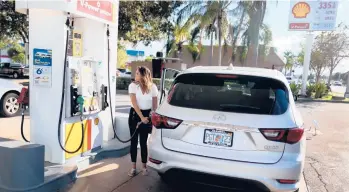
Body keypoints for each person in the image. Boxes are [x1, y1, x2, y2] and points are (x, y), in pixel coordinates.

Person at [128, 66, 158, 177]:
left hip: (147, 116)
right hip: (135, 115)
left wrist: (150, 117)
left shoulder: (153, 87)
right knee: (134, 142)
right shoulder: (132, 86)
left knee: (143, 142)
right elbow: (134, 103)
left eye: (137, 73)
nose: (135, 75)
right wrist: (141, 118)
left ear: (143, 75)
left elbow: (155, 106)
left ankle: (144, 167)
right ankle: (133, 168)